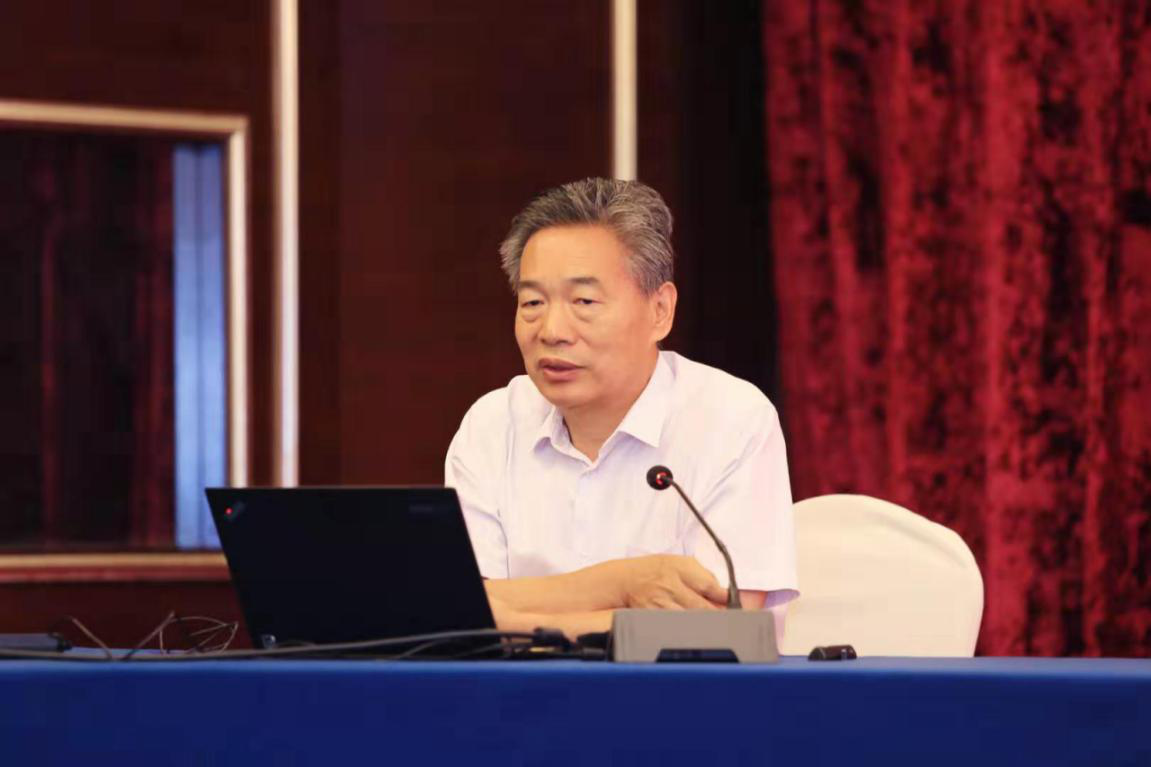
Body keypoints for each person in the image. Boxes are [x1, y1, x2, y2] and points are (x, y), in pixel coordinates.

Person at [445, 178, 796, 640]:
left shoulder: (731, 419)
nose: (551, 330)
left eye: (584, 301)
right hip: (520, 687)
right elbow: (456, 615)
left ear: (659, 310)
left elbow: (720, 629)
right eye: (532, 302)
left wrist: (512, 616)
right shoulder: (491, 426)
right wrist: (624, 585)